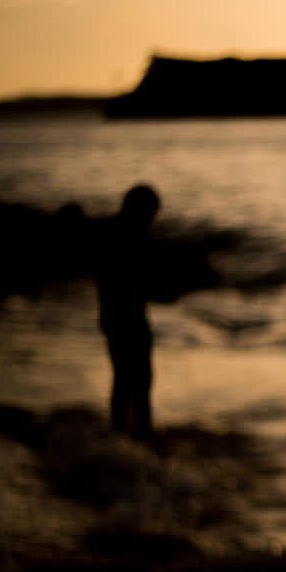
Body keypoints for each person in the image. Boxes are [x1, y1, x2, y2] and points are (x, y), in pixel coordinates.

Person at [93, 184, 160, 441]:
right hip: (124, 317)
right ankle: (135, 433)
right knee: (134, 378)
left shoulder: (111, 233)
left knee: (127, 378)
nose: (152, 221)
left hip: (115, 316)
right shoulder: (126, 237)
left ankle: (126, 432)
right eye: (151, 213)